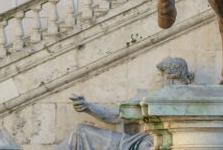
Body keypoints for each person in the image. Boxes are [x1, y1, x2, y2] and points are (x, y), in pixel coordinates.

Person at [56, 58, 194, 150]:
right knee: (81, 131)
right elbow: (117, 116)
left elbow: (116, 116)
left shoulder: (158, 98)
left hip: (139, 144)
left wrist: (88, 107)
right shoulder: (190, 96)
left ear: (169, 76)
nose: (159, 79)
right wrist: (88, 107)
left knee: (81, 131)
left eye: (161, 74)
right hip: (139, 142)